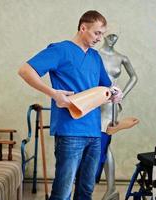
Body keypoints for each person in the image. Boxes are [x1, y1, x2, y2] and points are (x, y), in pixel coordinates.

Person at [18, 10, 122, 200]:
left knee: (86, 191)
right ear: (83, 28)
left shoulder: (95, 57)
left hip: (94, 132)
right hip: (70, 131)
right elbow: (25, 70)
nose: (100, 38)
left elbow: (106, 87)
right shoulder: (60, 50)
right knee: (63, 192)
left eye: (102, 34)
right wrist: (53, 93)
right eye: (97, 33)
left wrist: (116, 92)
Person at [96, 33, 138, 199]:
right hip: (95, 101)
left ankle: (111, 188)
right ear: (104, 35)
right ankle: (110, 188)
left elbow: (134, 77)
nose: (114, 38)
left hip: (111, 105)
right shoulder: (95, 54)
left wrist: (122, 95)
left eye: (116, 35)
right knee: (99, 141)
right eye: (110, 35)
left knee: (104, 139)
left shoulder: (122, 57)